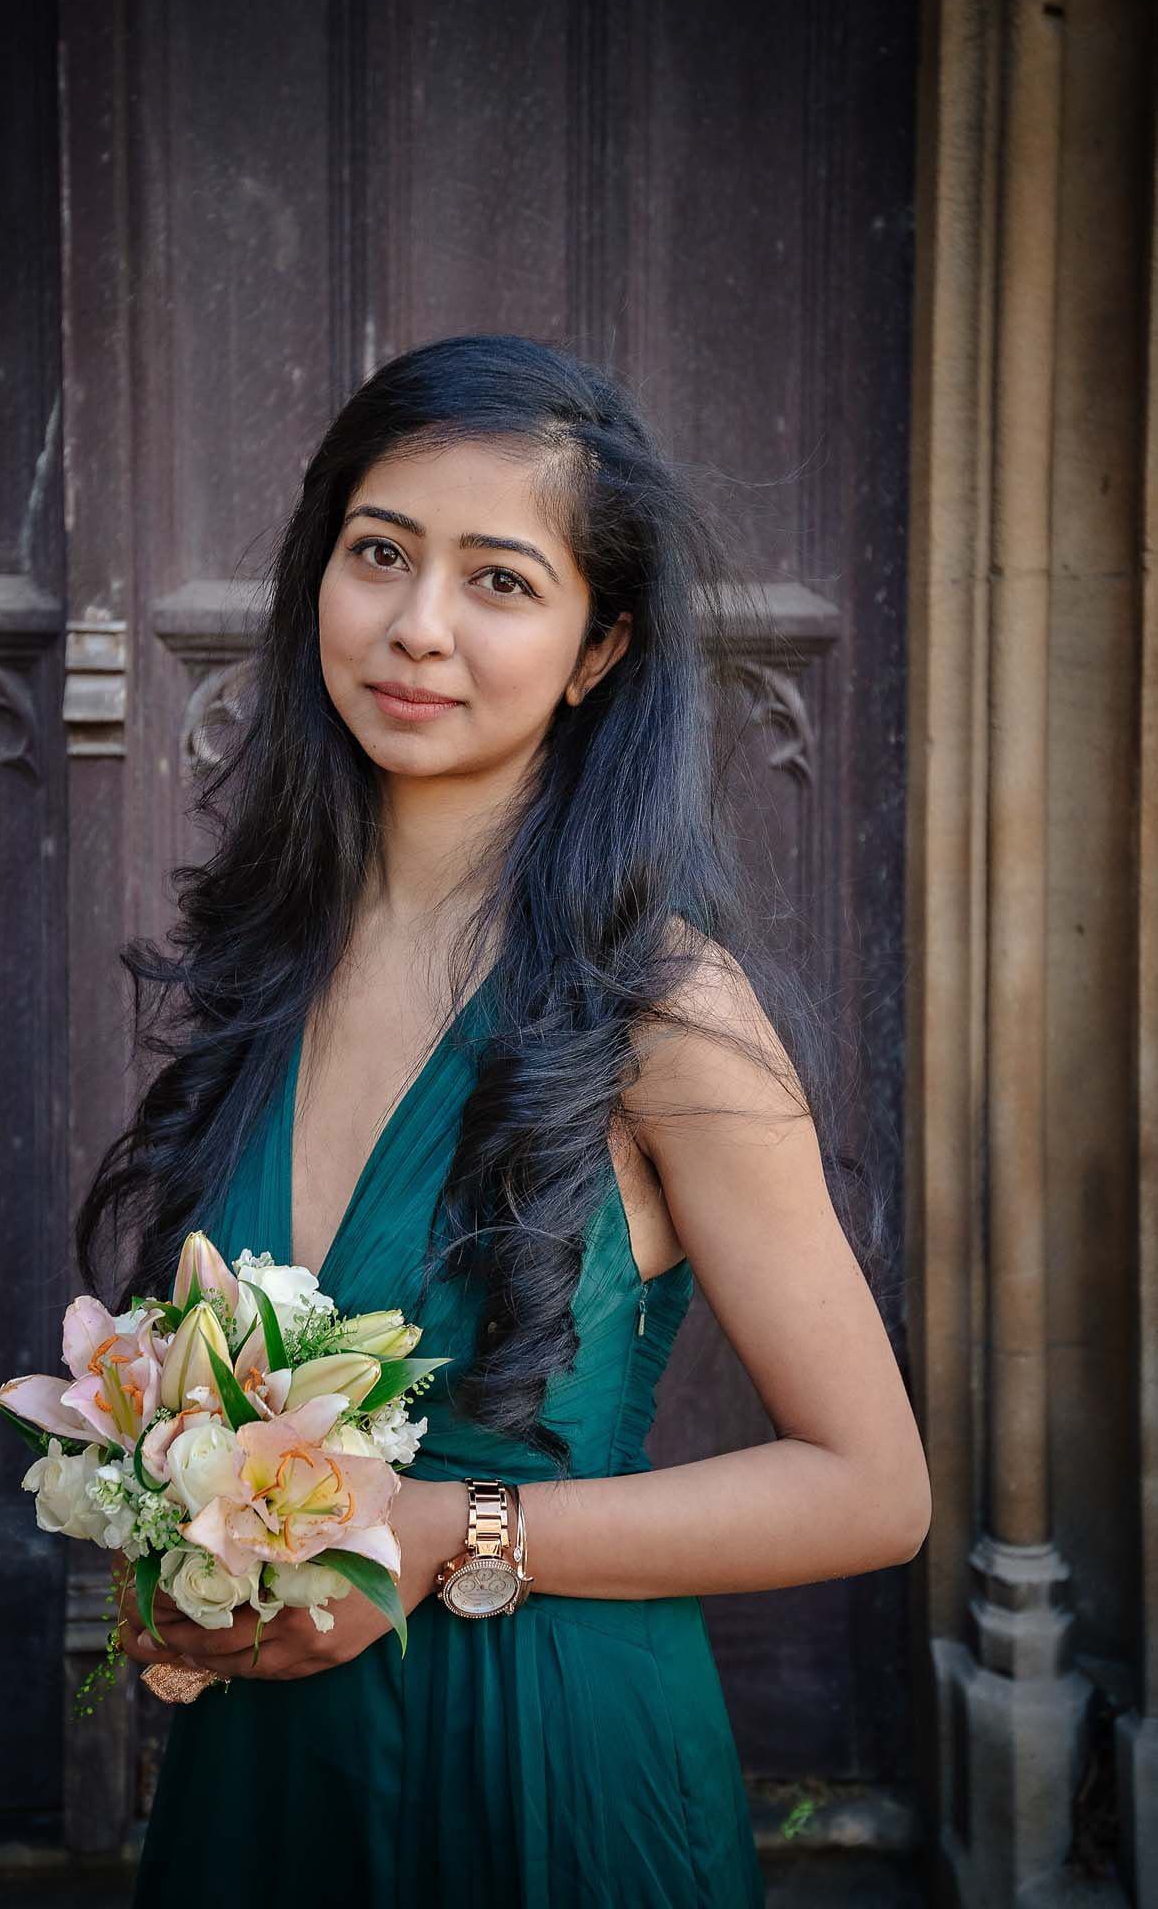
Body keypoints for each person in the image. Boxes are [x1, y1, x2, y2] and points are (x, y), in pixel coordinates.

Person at [75, 332, 931, 1907]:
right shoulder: (269, 961)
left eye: (498, 581)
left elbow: (870, 1487)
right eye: (378, 554)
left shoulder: (666, 1013)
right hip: (271, 1782)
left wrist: (428, 1531)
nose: (415, 628)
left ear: (597, 647)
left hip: (546, 1775)